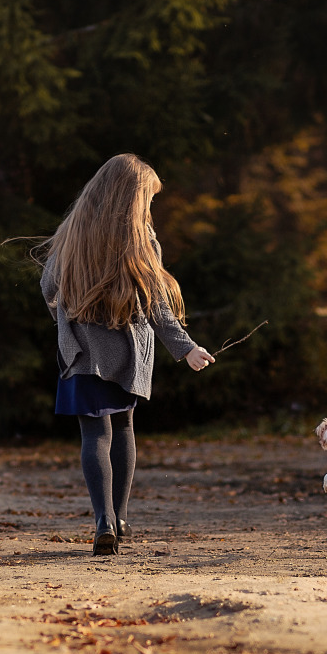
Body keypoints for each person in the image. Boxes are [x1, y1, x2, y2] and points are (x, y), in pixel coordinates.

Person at [37, 154, 213, 555]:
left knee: (94, 434)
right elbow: (157, 305)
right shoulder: (140, 239)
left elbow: (48, 286)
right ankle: (119, 517)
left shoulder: (72, 233)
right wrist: (185, 348)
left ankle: (102, 520)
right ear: (133, 199)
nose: (150, 209)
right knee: (125, 429)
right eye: (148, 200)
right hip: (127, 354)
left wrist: (70, 315)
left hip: (82, 354)